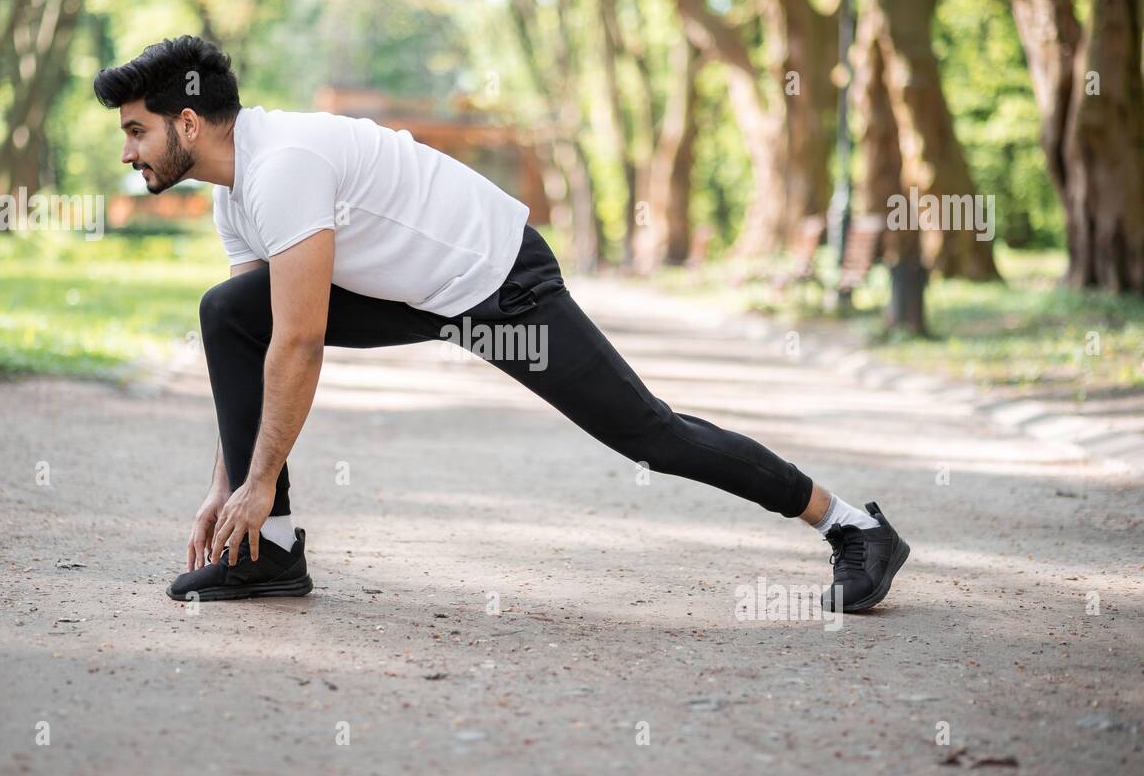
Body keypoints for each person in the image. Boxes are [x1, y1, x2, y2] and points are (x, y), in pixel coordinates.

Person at [93, 36, 910, 613]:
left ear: (189, 123)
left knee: (649, 437)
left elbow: (301, 341)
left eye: (136, 129)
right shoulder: (236, 196)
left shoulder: (284, 167)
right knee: (228, 309)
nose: (129, 151)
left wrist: (259, 478)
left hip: (500, 283)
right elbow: (260, 339)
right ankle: (265, 554)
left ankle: (851, 524)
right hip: (418, 293)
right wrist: (229, 486)